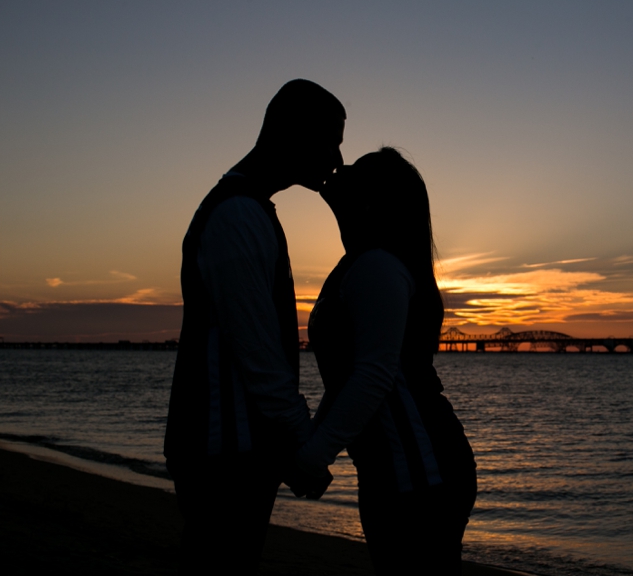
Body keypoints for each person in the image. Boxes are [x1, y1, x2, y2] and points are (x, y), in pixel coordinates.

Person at [164, 79, 344, 574]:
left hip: (230, 447)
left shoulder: (246, 208)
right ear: (293, 133)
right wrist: (301, 445)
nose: (338, 158)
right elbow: (259, 354)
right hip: (226, 450)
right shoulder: (239, 215)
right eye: (331, 140)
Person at [296, 147, 477, 574]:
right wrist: (309, 446)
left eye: (354, 171)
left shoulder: (376, 265)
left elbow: (374, 377)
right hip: (398, 468)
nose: (341, 169)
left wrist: (314, 455)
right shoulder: (361, 262)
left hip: (419, 470)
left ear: (371, 199)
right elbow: (350, 381)